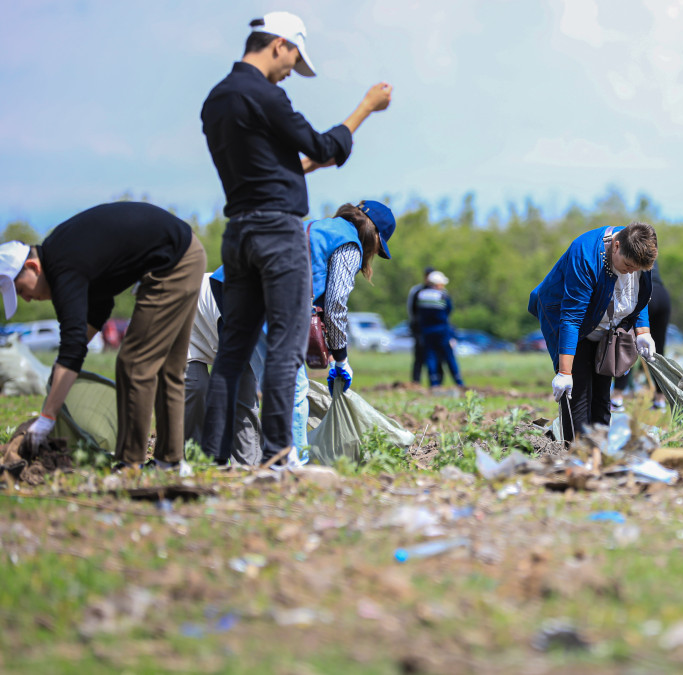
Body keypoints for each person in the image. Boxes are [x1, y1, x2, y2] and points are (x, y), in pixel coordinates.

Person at [200, 12, 392, 465]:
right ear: (279, 44)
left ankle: (211, 459)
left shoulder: (216, 101)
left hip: (239, 234)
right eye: (293, 61)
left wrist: (303, 167)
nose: (290, 71)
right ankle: (281, 460)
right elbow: (325, 146)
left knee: (231, 354)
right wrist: (366, 106)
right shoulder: (267, 96)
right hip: (276, 232)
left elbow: (265, 170)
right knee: (286, 355)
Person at [0, 202, 206, 469]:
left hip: (173, 263)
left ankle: (129, 465)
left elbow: (73, 347)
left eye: (19, 289)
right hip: (186, 252)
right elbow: (100, 308)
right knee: (169, 368)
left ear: (32, 266)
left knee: (134, 364)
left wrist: (47, 417)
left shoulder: (62, 268)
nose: (26, 299)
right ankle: (170, 463)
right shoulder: (63, 254)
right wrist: (63, 366)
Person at [529, 222, 658, 440]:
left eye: (637, 269)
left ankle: (599, 450)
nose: (631, 272)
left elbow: (639, 294)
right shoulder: (586, 254)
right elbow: (571, 317)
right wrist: (564, 373)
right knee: (577, 391)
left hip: (604, 322)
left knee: (601, 391)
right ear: (616, 246)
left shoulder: (639, 248)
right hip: (564, 315)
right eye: (627, 266)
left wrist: (643, 331)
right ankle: (576, 453)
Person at [291, 201, 397, 442]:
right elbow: (336, 304)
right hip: (280, 312)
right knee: (295, 392)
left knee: (248, 390)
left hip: (244, 297)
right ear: (374, 235)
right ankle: (294, 464)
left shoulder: (317, 226)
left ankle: (248, 458)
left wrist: (328, 351)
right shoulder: (349, 243)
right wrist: (341, 359)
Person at [184, 270, 262, 464]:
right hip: (186, 312)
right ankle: (194, 458)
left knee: (245, 397)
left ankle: (248, 465)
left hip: (230, 322)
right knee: (195, 385)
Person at [611, 260, 670, 411]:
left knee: (627, 346)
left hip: (646, 295)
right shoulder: (650, 251)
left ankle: (617, 398)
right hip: (663, 295)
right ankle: (660, 400)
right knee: (658, 350)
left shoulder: (630, 247)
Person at [416, 271, 465, 389]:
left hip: (426, 331)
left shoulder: (421, 295)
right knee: (449, 356)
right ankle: (459, 382)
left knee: (431, 357)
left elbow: (418, 312)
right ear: (438, 284)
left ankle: (434, 383)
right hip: (442, 330)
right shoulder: (443, 296)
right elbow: (448, 310)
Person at [406, 267, 436, 384]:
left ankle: (434, 381)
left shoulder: (439, 291)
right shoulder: (417, 291)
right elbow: (411, 309)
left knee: (434, 356)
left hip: (433, 328)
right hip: (420, 328)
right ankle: (416, 382)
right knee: (419, 356)